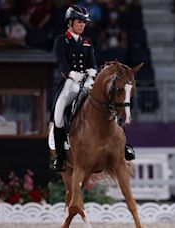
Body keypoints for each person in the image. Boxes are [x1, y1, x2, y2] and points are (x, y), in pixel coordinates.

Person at [50, 5, 135, 172]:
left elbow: (93, 63)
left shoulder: (87, 42)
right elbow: (61, 62)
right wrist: (71, 73)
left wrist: (92, 70)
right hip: (70, 82)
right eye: (79, 22)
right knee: (58, 116)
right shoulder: (61, 40)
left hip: (87, 80)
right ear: (70, 22)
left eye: (84, 22)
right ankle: (60, 156)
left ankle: (125, 147)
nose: (82, 25)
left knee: (111, 102)